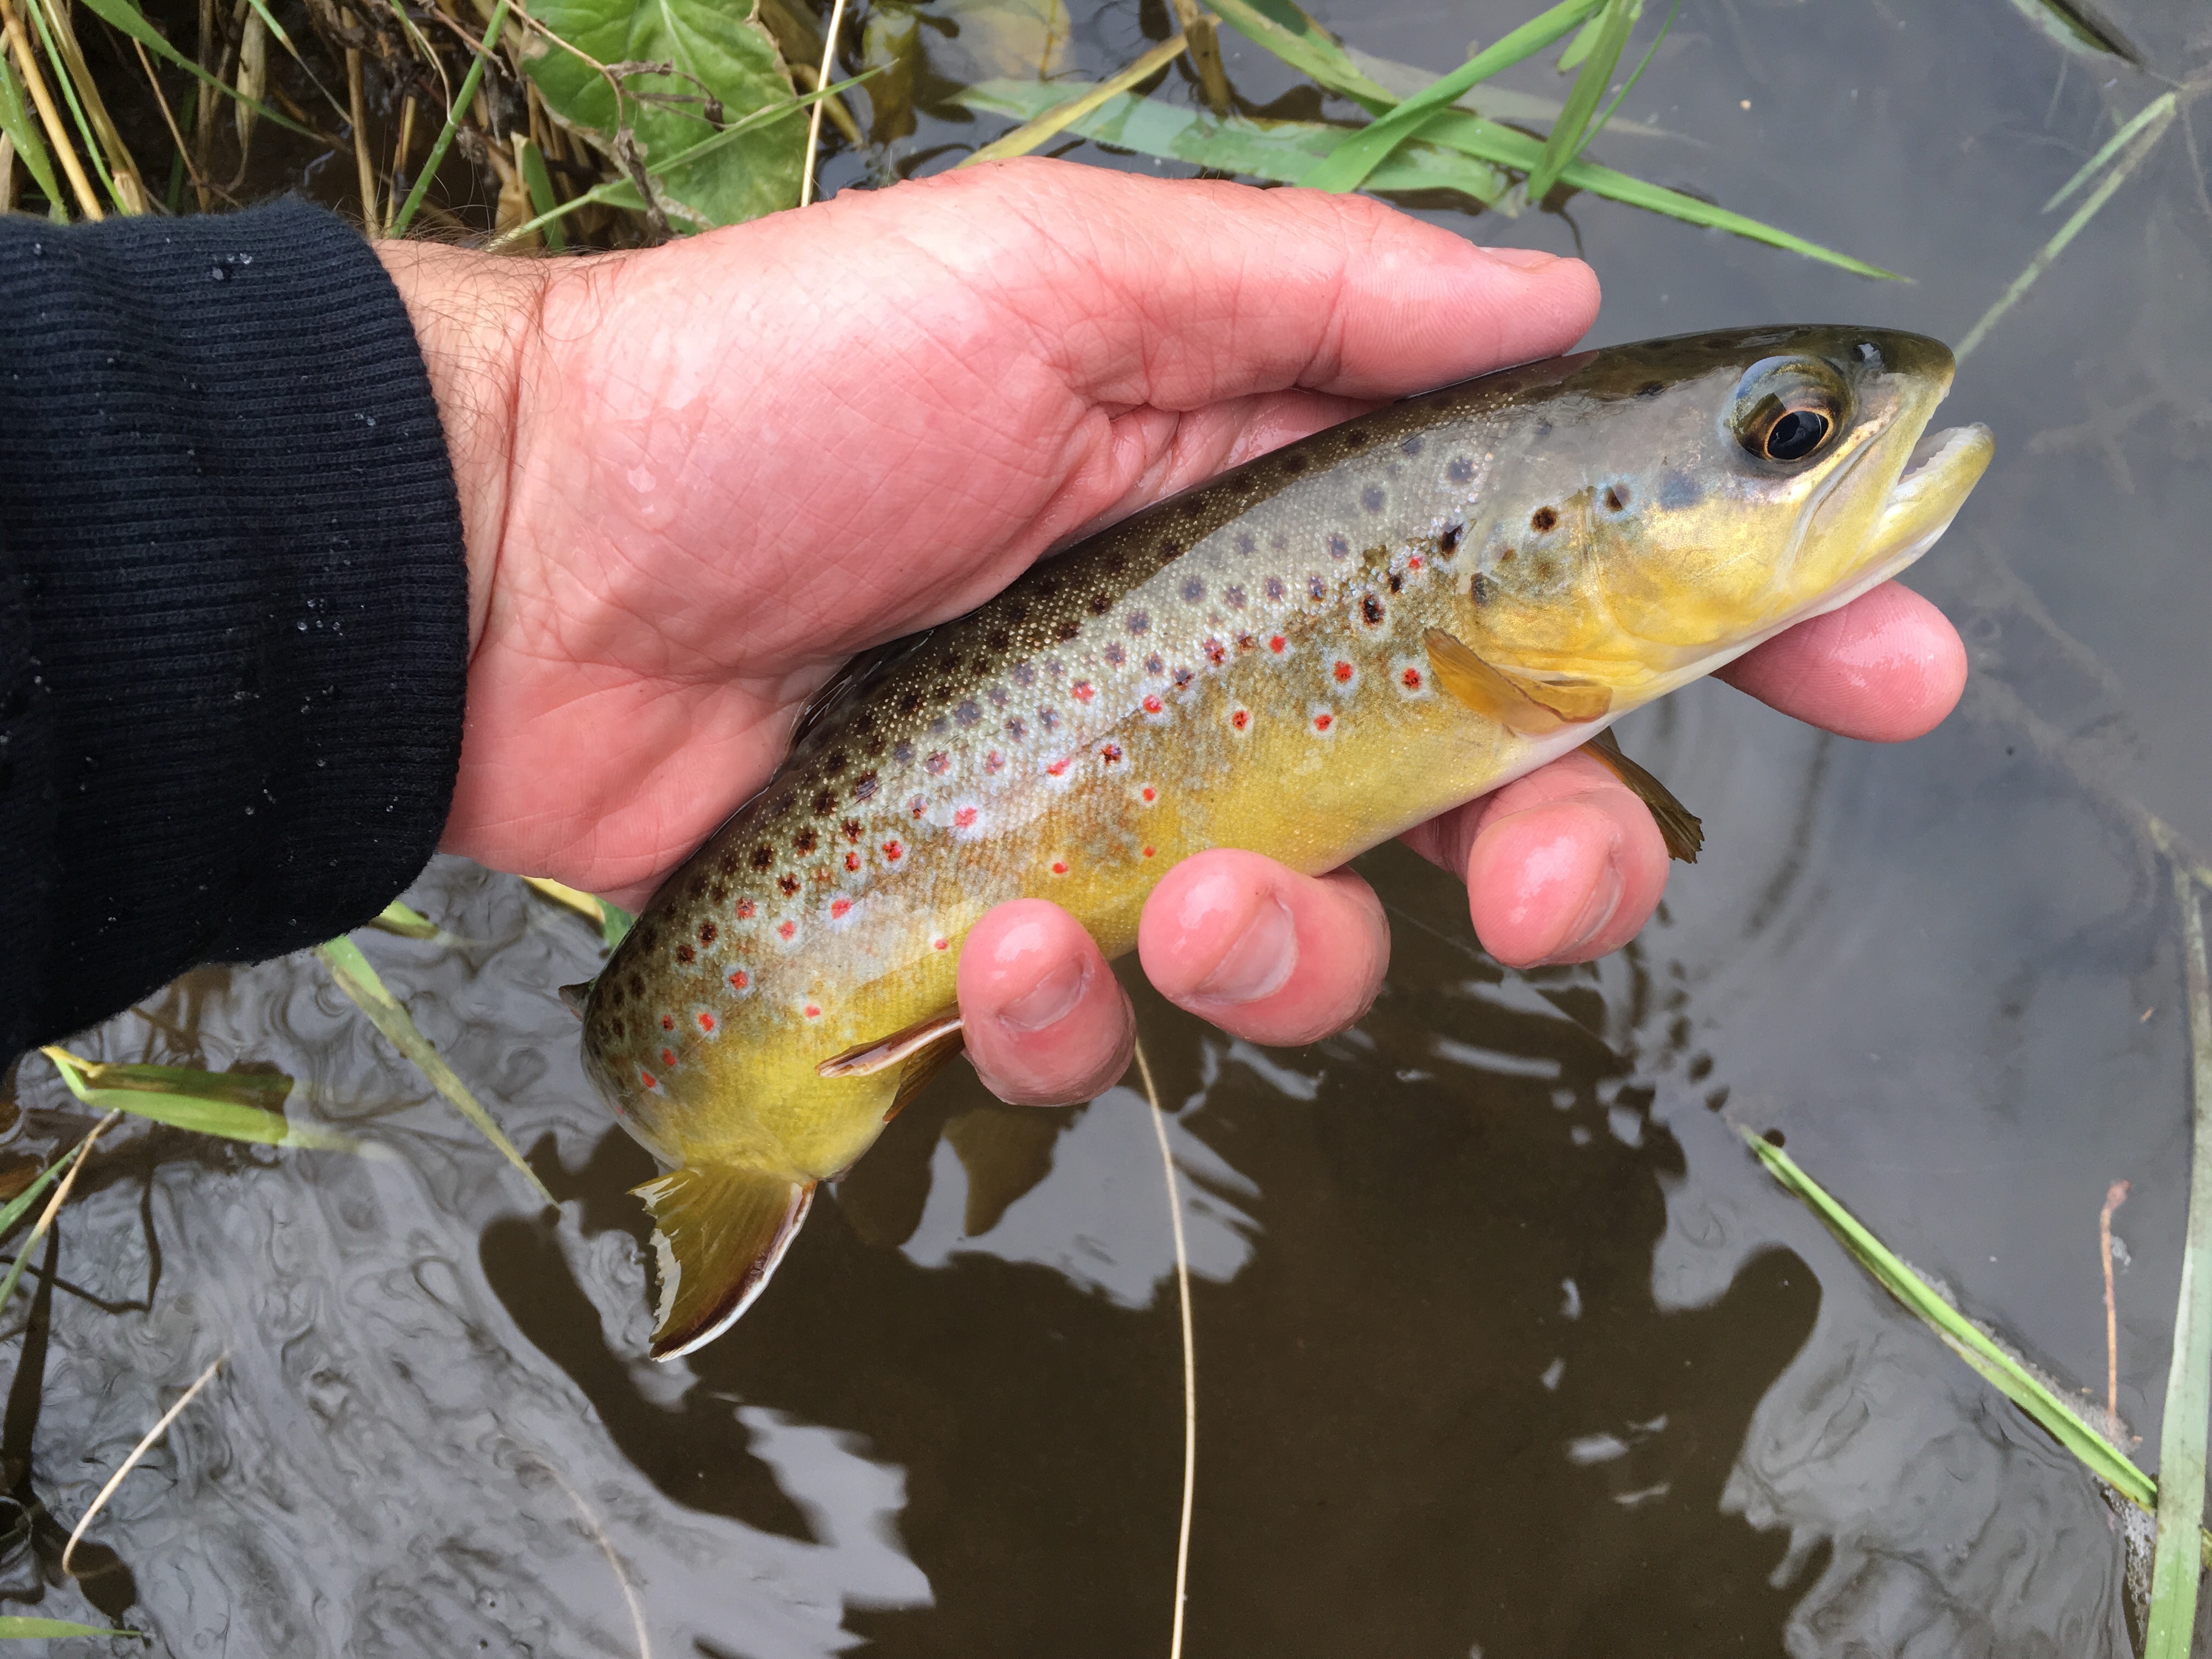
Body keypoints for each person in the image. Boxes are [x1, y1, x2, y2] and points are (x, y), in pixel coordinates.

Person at [0, 158, 1965, 1103]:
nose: (1833, 444)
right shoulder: (1505, 610)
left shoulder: (1521, 632)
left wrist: (513, 489)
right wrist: (489, 487)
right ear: (1549, 543)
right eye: (1789, 439)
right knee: (766, 1103)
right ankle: (711, 1106)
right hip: (753, 940)